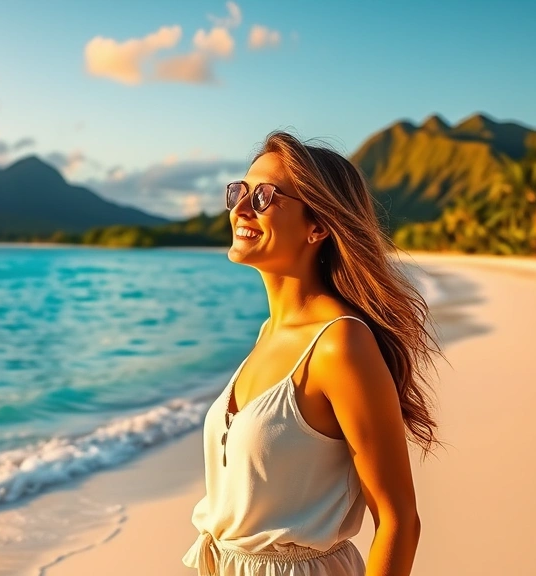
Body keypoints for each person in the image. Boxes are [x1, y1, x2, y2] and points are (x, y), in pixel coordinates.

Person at [182, 131, 441, 576]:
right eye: (239, 191)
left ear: (318, 226)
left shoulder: (340, 344)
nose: (242, 208)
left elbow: (399, 520)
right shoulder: (270, 332)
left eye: (263, 196)